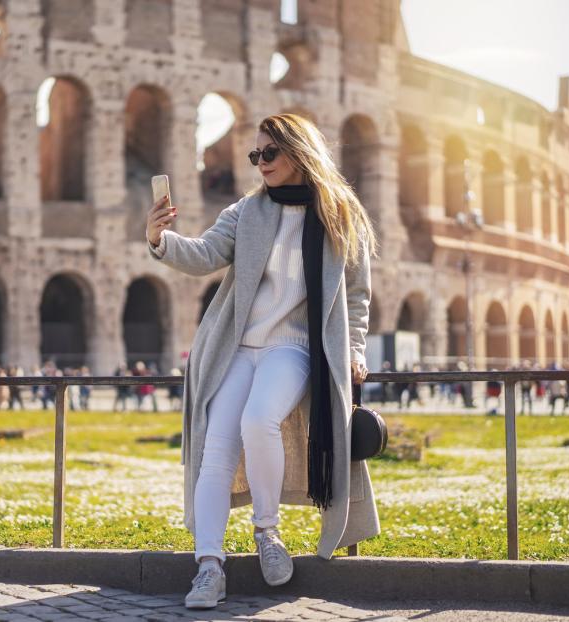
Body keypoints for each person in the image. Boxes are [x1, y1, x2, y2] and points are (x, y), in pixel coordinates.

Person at [147, 114, 377, 609]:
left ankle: (267, 533)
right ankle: (209, 566)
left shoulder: (340, 215)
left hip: (294, 345)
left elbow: (356, 296)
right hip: (240, 346)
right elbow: (205, 253)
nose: (260, 163)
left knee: (259, 419)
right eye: (255, 156)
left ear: (299, 152)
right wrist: (160, 241)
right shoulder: (246, 212)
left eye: (269, 154)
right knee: (216, 445)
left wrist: (355, 349)